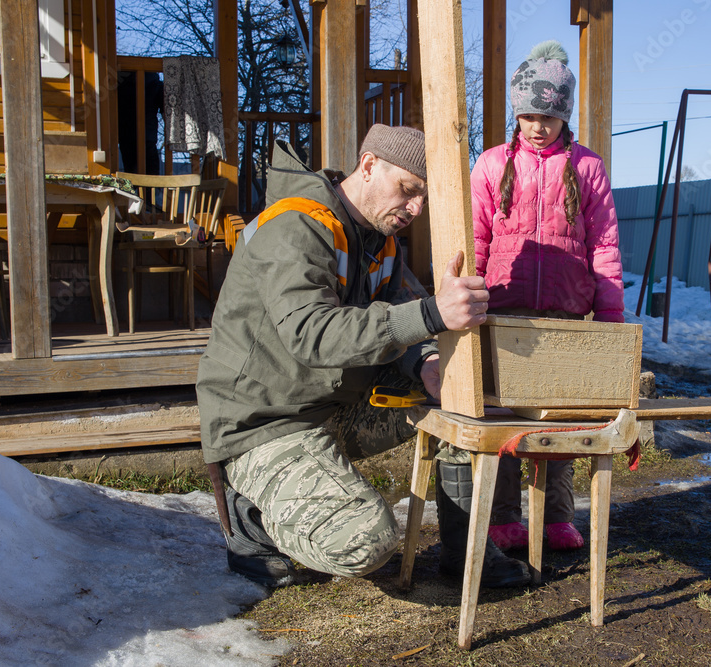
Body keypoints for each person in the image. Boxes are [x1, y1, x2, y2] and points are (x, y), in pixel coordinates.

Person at [197, 123, 530, 588]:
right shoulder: (294, 225)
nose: (415, 208)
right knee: (367, 542)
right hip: (264, 420)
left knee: (458, 392)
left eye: (424, 198)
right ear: (369, 165)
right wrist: (433, 314)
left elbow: (405, 320)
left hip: (333, 407)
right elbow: (312, 335)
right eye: (408, 190)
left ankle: (467, 552)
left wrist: (427, 365)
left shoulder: (380, 241)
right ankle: (251, 517)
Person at [469, 41, 625, 552]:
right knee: (506, 416)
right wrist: (467, 296)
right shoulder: (492, 164)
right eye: (530, 115)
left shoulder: (587, 167)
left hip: (566, 311)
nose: (539, 126)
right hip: (505, 307)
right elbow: (476, 237)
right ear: (518, 113)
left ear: (564, 115)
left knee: (560, 416)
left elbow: (604, 242)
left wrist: (609, 313)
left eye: (549, 116)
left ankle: (558, 516)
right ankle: (505, 516)